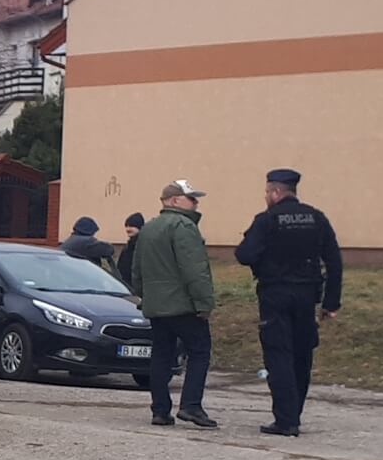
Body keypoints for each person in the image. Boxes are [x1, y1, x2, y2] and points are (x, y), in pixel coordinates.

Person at [235, 168, 343, 437]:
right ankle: (295, 414)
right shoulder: (316, 218)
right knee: (302, 355)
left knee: (278, 355)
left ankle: (286, 420)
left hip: (275, 295)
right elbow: (334, 261)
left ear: (275, 192)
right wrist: (331, 303)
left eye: (267, 192)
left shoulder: (267, 220)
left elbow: (244, 255)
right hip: (307, 297)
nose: (266, 197)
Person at [130, 180, 217, 428]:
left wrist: (144, 296)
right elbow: (194, 269)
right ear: (175, 200)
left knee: (161, 355)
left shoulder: (149, 228)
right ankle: (191, 405)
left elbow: (136, 269)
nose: (196, 204)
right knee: (199, 351)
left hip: (156, 305)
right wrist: (204, 303)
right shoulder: (184, 226)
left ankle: (160, 410)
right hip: (183, 304)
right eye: (192, 198)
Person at [115, 212, 145, 289]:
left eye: (131, 226)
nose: (128, 229)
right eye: (127, 226)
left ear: (140, 227)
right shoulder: (128, 246)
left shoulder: (143, 245)